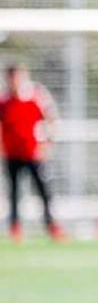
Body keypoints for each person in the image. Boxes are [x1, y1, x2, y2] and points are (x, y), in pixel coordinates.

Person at [0, 64, 65, 243]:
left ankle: (51, 226)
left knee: (44, 191)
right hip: (12, 155)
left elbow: (52, 120)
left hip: (34, 154)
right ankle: (15, 228)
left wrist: (47, 143)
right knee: (14, 193)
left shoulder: (36, 97)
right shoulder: (4, 102)